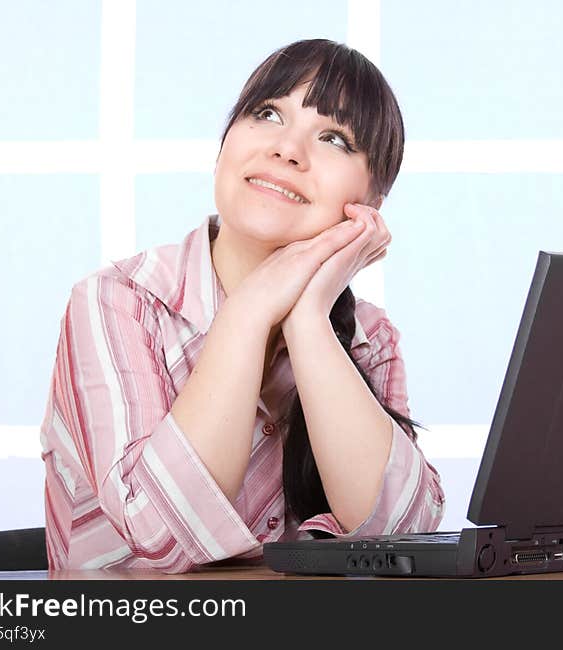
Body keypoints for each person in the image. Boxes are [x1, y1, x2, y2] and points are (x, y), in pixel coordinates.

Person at [40, 38, 445, 573]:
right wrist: (249, 312)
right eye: (268, 113)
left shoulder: (370, 335)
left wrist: (307, 321)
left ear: (371, 204)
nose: (287, 149)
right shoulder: (117, 302)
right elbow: (159, 536)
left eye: (333, 138)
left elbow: (401, 542)